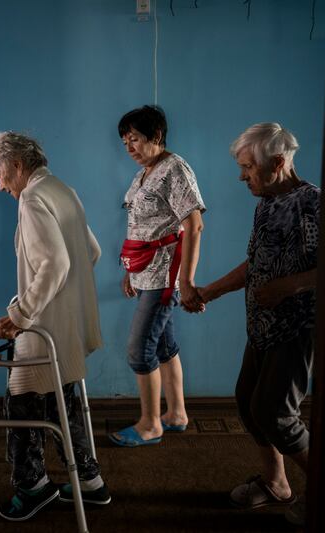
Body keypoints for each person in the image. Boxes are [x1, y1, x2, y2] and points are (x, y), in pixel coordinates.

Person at [0, 131, 110, 521]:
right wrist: (65, 299)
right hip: (67, 325)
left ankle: (32, 487)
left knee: (21, 401)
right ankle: (89, 481)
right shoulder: (61, 188)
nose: (2, 185)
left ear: (17, 165)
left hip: (43, 329)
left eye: (0, 174)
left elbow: (56, 264)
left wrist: (21, 315)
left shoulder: (33, 198)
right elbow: (91, 251)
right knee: (62, 397)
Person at [196, 123, 319, 526]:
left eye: (248, 167)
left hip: (296, 329)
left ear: (278, 163)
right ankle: (277, 484)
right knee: (248, 403)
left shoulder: (313, 203)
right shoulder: (266, 200)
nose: (241, 176)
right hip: (262, 328)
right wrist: (211, 290)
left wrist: (289, 286)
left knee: (276, 414)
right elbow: (258, 265)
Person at [109, 105, 206, 448]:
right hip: (144, 272)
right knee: (164, 346)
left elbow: (193, 224)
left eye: (134, 138)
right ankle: (176, 414)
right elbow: (141, 227)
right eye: (124, 142)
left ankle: (150, 424)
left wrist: (185, 280)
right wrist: (130, 272)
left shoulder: (174, 169)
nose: (129, 147)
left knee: (139, 352)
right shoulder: (144, 174)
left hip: (165, 277)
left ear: (156, 136)